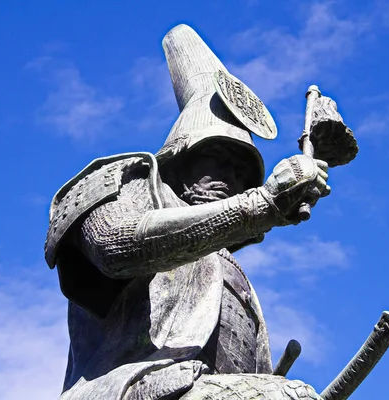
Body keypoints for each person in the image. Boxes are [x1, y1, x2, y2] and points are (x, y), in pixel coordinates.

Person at [45, 24, 330, 400]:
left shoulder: (225, 265)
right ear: (181, 158)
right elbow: (115, 244)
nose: (233, 179)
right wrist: (260, 206)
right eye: (220, 160)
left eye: (243, 174)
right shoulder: (122, 179)